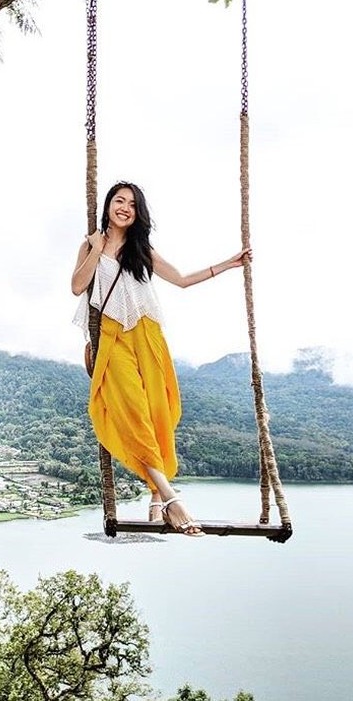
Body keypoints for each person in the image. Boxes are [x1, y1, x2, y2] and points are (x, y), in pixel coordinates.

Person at [72, 181, 252, 537]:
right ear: (108, 205)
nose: (124, 207)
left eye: (132, 204)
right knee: (133, 411)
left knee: (159, 411)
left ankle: (155, 495)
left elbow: (182, 280)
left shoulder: (141, 249)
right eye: (119, 201)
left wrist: (228, 264)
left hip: (148, 335)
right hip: (111, 337)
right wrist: (95, 248)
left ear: (138, 213)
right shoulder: (90, 244)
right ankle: (172, 499)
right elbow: (78, 287)